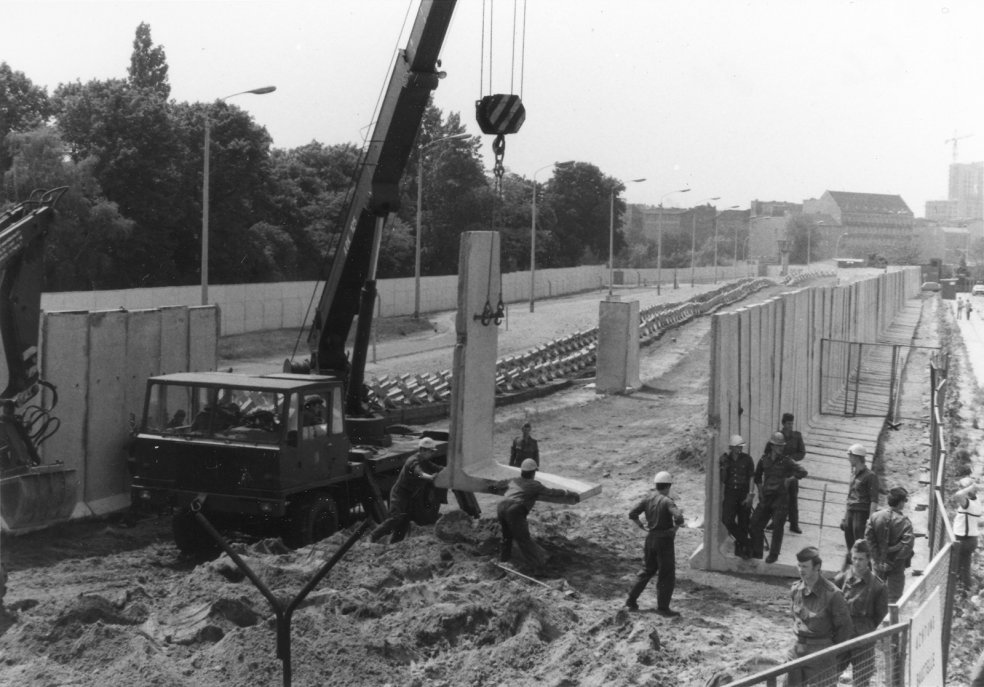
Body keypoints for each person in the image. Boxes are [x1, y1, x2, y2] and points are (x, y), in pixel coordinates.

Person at [489, 458, 575, 572]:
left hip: (501, 507)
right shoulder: (535, 485)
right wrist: (568, 493)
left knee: (507, 536)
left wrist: (493, 486)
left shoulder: (514, 480)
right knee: (524, 540)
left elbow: (498, 484)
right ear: (533, 472)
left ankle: (504, 560)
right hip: (514, 510)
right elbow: (552, 492)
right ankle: (538, 567)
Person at [787, 546, 854, 687]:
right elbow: (795, 617)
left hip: (821, 654)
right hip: (797, 649)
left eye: (805, 566)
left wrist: (831, 651)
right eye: (799, 566)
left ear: (817, 567)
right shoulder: (796, 589)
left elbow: (845, 628)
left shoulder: (833, 595)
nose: (800, 570)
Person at [625, 470, 686, 616]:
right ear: (668, 486)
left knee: (647, 570)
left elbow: (632, 514)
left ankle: (631, 600)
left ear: (656, 485)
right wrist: (675, 529)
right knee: (666, 574)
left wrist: (641, 526)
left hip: (650, 538)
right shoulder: (667, 501)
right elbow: (679, 518)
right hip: (664, 541)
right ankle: (663, 608)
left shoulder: (648, 499)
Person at [833, 541, 888, 687]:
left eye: (861, 559)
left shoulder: (878, 587)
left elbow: (880, 615)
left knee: (862, 681)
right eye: (855, 558)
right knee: (828, 676)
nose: (857, 562)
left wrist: (865, 628)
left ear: (868, 559)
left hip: (864, 639)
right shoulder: (841, 579)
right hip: (841, 636)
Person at [749, 432, 808, 563]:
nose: (781, 448)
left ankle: (774, 554)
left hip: (781, 499)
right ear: (772, 446)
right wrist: (760, 491)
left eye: (782, 446)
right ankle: (757, 551)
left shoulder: (787, 461)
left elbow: (803, 471)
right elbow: (757, 476)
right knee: (754, 523)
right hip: (767, 497)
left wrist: (790, 479)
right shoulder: (764, 460)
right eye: (778, 446)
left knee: (778, 526)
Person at [369, 437, 441, 544]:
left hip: (409, 495)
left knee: (405, 521)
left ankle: (394, 544)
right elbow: (419, 473)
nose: (432, 454)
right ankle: (373, 536)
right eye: (430, 451)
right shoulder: (412, 461)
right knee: (396, 517)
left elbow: (437, 468)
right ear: (422, 450)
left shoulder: (425, 461)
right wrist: (430, 477)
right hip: (399, 494)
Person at [864, 486, 915, 602]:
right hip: (896, 567)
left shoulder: (875, 517)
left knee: (874, 594)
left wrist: (877, 559)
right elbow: (907, 547)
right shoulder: (905, 523)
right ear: (901, 503)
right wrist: (892, 561)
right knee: (894, 598)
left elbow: (868, 540)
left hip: (877, 565)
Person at [842, 444, 879, 567]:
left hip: (861, 514)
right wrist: (845, 517)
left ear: (857, 457)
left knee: (861, 546)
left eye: (850, 456)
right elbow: (849, 496)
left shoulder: (870, 476)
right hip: (851, 512)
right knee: (850, 546)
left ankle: (865, 573)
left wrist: (870, 520)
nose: (849, 459)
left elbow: (874, 500)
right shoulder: (853, 474)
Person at [720, 434, 755, 558]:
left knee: (743, 522)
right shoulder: (726, 460)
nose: (739, 449)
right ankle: (747, 542)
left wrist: (750, 494)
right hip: (730, 493)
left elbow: (752, 477)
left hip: (743, 493)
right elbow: (723, 480)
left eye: (741, 447)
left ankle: (742, 549)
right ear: (731, 447)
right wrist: (724, 467)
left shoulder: (747, 459)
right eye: (737, 447)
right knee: (727, 519)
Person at [953, 476, 981, 591]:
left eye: (961, 488)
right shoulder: (974, 500)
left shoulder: (969, 504)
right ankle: (963, 590)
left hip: (965, 540)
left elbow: (958, 495)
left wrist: (970, 487)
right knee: (963, 567)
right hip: (968, 539)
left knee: (958, 567)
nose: (959, 490)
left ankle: (961, 591)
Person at [780, 412, 806, 534]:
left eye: (791, 423)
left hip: (792, 470)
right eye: (788, 423)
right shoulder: (778, 436)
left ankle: (794, 524)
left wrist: (792, 458)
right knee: (778, 497)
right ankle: (775, 522)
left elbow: (802, 452)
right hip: (779, 471)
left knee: (793, 498)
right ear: (783, 423)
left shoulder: (797, 436)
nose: (790, 426)